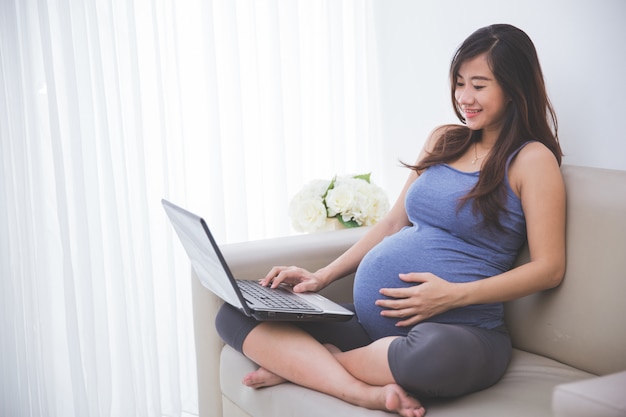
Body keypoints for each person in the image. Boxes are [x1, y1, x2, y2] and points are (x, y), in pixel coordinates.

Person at [216, 23, 565, 417]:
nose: (464, 97)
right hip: (372, 325)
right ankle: (357, 390)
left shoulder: (532, 160)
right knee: (234, 311)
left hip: (462, 332)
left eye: (479, 86)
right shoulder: (445, 139)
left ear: (514, 88)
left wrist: (453, 295)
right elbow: (391, 224)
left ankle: (307, 366)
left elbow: (549, 269)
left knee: (431, 357)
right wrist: (321, 277)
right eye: (459, 82)